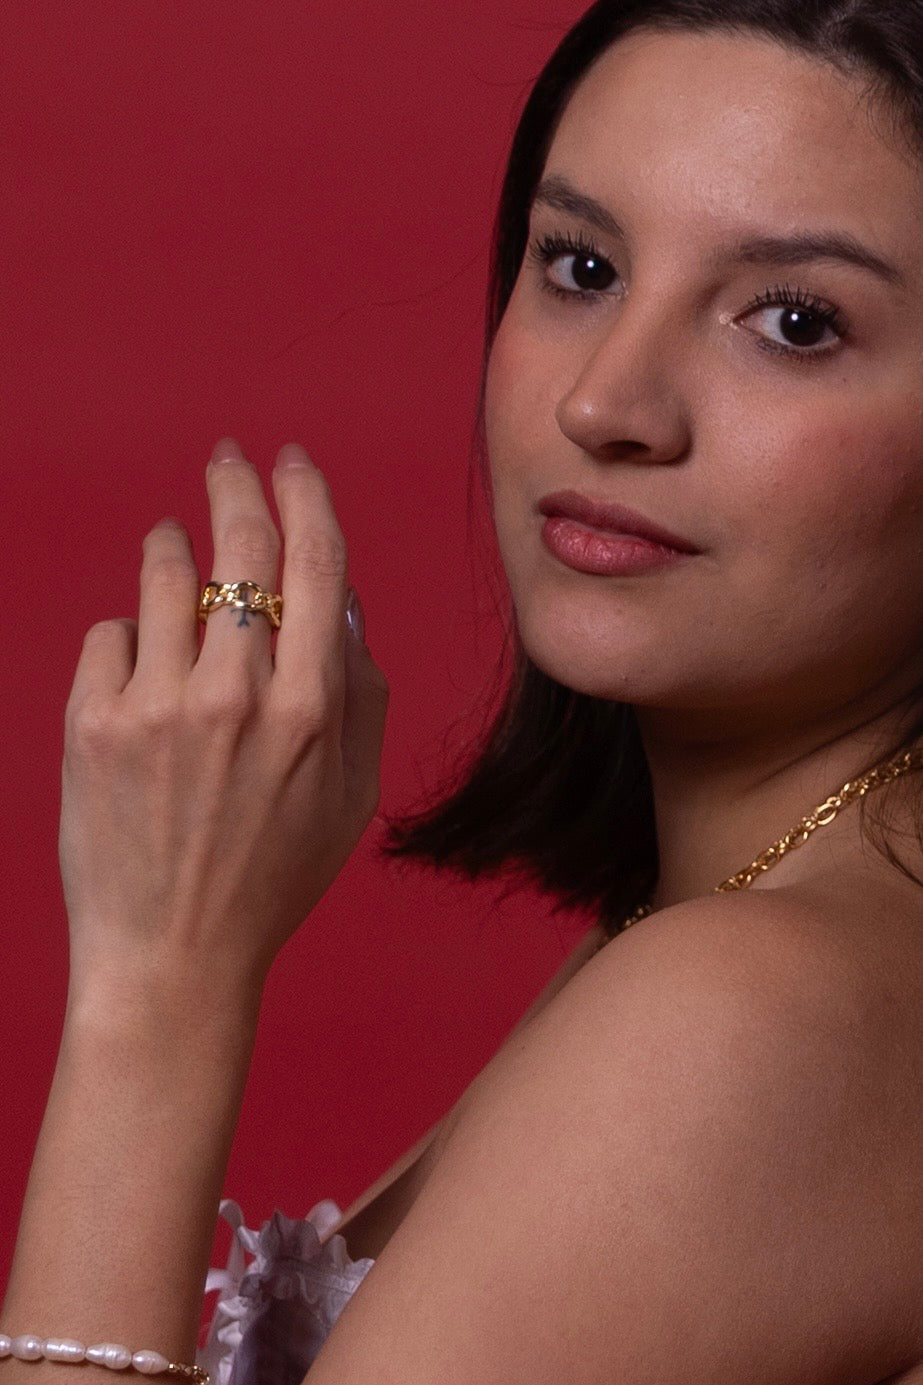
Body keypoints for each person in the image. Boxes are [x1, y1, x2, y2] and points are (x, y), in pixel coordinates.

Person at [3, 0, 923, 1379]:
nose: (609, 402)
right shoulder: (745, 913)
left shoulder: (745, 1013)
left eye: (794, 321)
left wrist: (157, 983)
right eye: (582, 264)